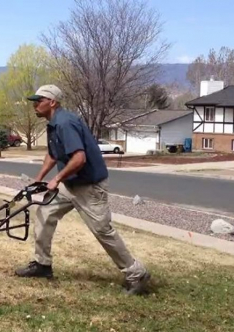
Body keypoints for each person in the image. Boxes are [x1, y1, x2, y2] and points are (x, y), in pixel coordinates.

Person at [14, 84, 151, 295]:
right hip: (71, 185)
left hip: (89, 187)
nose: (35, 105)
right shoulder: (53, 124)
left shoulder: (65, 123)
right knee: (44, 213)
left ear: (52, 102)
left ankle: (137, 274)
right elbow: (53, 155)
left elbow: (79, 158)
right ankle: (42, 265)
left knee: (102, 231)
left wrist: (57, 178)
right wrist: (39, 178)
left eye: (38, 101)